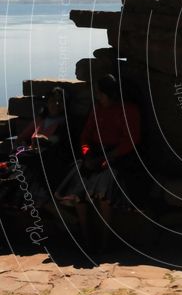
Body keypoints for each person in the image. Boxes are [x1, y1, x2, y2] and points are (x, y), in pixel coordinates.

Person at [55, 75, 141, 252]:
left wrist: (108, 157)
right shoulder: (97, 110)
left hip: (118, 156)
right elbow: (85, 136)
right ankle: (86, 238)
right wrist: (87, 155)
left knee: (104, 193)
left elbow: (130, 140)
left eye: (99, 93)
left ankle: (105, 241)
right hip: (95, 153)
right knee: (78, 189)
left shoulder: (128, 110)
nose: (97, 96)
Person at [7, 87, 68, 208]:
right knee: (17, 157)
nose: (56, 104)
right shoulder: (42, 119)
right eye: (52, 101)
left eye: (59, 101)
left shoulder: (64, 123)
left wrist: (40, 141)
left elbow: (57, 142)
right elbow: (23, 135)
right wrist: (22, 144)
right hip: (32, 153)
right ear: (47, 103)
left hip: (48, 158)